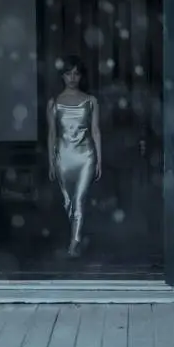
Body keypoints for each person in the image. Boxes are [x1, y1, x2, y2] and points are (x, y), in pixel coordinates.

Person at [47, 55, 102, 257]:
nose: (72, 78)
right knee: (68, 201)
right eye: (68, 73)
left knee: (79, 199)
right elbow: (52, 134)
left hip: (86, 156)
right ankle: (78, 236)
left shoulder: (91, 101)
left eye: (76, 74)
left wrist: (99, 160)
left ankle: (74, 243)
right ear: (62, 76)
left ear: (81, 76)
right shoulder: (54, 103)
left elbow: (95, 131)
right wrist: (51, 162)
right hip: (63, 157)